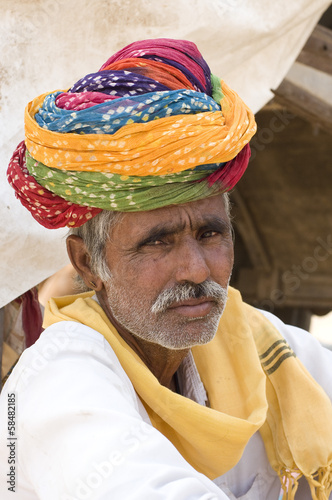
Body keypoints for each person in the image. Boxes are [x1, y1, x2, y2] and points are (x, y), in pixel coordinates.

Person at [0, 38, 331, 500]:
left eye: (211, 234)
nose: (196, 270)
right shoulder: (58, 384)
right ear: (87, 263)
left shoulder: (258, 343)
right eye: (158, 243)